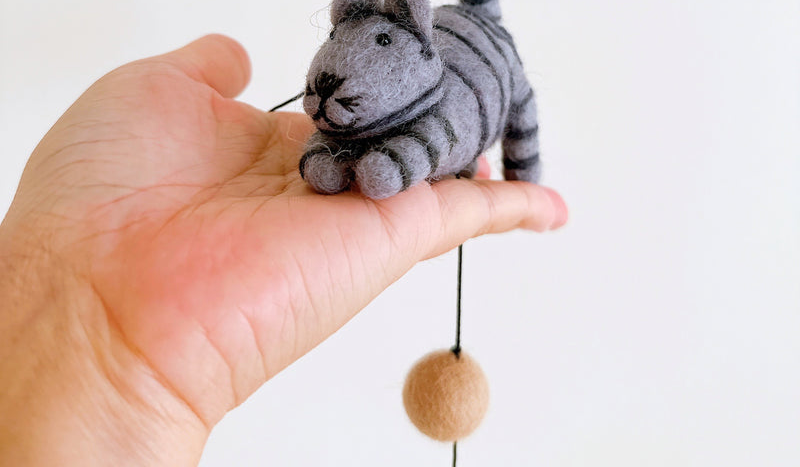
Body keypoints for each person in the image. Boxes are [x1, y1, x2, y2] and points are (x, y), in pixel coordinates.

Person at [0, 35, 567, 465]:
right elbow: (324, 143)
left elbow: (419, 150)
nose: (319, 105)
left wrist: (518, 167)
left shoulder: (450, 102)